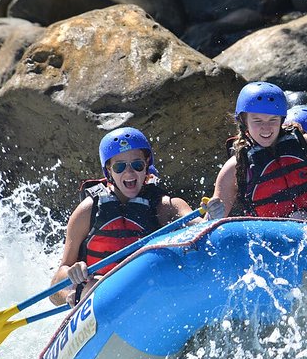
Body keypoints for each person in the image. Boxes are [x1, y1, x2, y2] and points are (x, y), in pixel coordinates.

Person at [50, 127, 224, 307]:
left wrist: (211, 216)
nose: (130, 173)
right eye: (119, 166)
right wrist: (69, 291)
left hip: (150, 294)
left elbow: (200, 228)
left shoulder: (165, 206)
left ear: (146, 165)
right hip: (99, 296)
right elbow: (55, 286)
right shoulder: (88, 210)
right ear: (109, 170)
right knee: (94, 285)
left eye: (137, 165)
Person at [211, 81, 307, 224]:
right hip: (274, 240)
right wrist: (213, 214)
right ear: (244, 121)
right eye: (257, 121)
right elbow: (209, 225)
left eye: (273, 119)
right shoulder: (234, 169)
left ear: (282, 119)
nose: (266, 127)